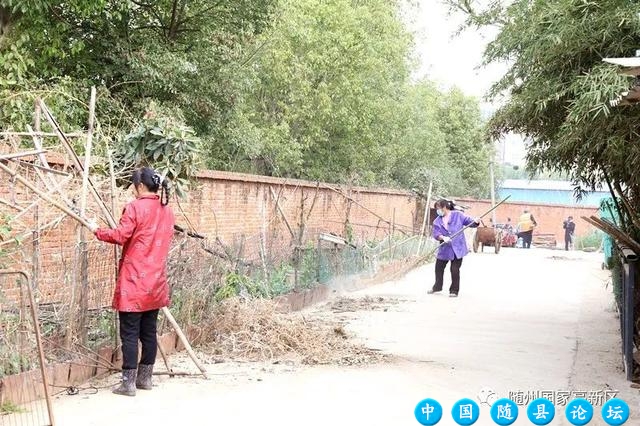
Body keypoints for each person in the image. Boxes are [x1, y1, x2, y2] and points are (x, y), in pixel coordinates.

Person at [87, 167, 175, 396]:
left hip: (134, 282)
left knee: (129, 332)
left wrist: (96, 230)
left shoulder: (135, 207)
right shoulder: (167, 210)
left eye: (133, 186)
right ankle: (145, 379)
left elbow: (120, 235)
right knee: (148, 332)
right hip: (155, 282)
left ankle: (128, 383)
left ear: (141, 186)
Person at [427, 199, 480, 297]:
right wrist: (442, 237)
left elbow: (469, 222)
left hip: (457, 248)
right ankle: (437, 286)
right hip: (445, 249)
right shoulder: (437, 221)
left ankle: (454, 291)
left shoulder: (458, 215)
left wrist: (475, 221)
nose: (438, 211)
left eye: (439, 208)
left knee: (454, 269)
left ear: (444, 207)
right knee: (439, 268)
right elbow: (436, 233)